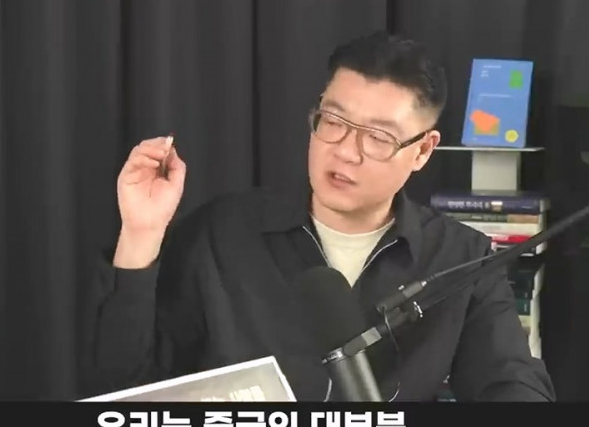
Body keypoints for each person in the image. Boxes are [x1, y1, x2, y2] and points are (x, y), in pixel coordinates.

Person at [80, 31, 555, 402]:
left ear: (422, 151)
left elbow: (513, 384)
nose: (345, 151)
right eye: (334, 121)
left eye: (378, 137)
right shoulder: (221, 233)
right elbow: (121, 384)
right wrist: (141, 233)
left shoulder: (460, 260)